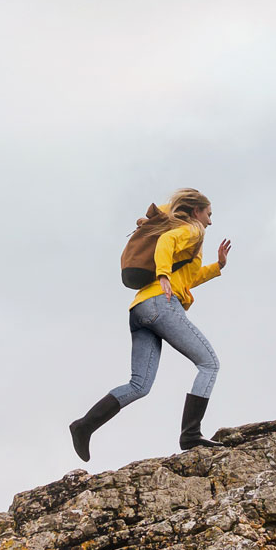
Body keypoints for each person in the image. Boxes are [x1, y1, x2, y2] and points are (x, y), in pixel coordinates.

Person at [69, 188, 232, 461]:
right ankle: (190, 434)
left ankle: (84, 426)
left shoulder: (190, 239)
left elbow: (187, 281)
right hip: (161, 306)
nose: (210, 221)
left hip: (141, 310)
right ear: (196, 212)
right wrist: (164, 274)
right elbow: (166, 242)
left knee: (139, 385)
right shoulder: (193, 230)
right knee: (209, 364)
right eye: (209, 214)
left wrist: (218, 267)